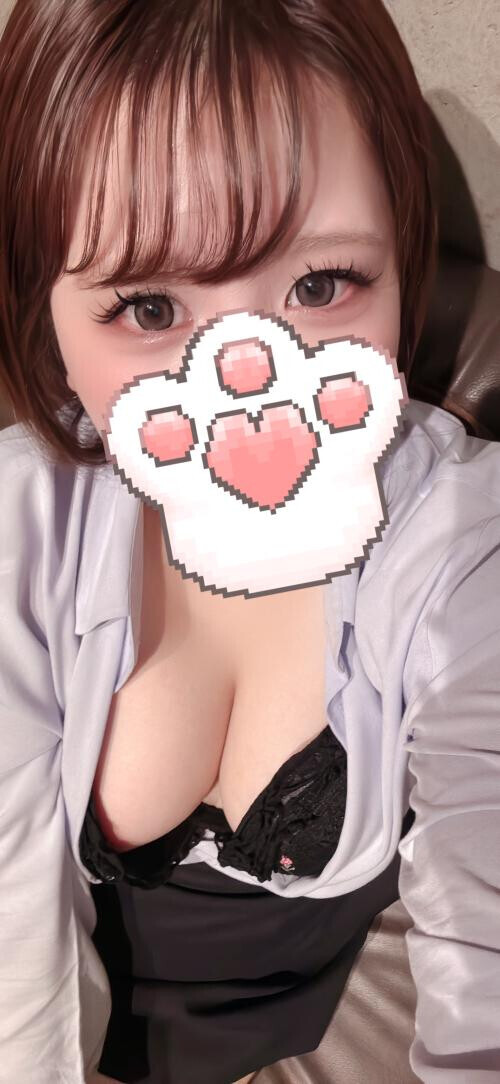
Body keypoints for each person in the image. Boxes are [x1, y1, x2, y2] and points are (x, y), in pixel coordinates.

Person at [0, 2, 499, 1083]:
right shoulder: (20, 534)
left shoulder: (464, 542)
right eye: (148, 308)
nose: (247, 391)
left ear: (401, 257)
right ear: (46, 315)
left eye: (320, 287)